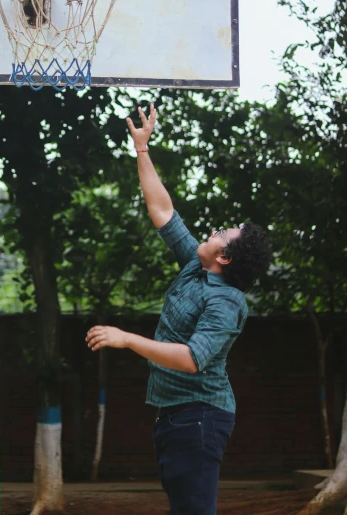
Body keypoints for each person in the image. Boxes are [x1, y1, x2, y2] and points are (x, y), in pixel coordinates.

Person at [86, 104, 271, 515]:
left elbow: (191, 359)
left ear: (225, 257)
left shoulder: (226, 301)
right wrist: (142, 150)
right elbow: (163, 211)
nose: (215, 229)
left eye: (223, 233)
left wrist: (128, 339)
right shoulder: (196, 265)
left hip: (200, 418)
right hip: (175, 416)